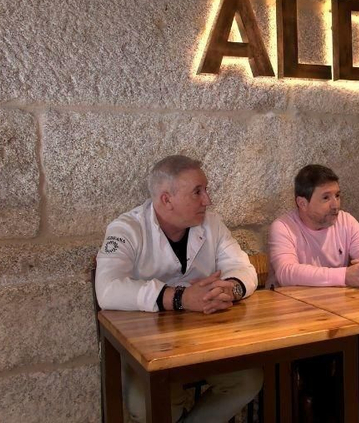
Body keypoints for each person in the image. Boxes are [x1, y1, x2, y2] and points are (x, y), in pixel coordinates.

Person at [96, 155, 263, 423]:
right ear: (166, 199)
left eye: (205, 190)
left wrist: (229, 289)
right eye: (198, 192)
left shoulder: (212, 224)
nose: (207, 200)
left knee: (247, 380)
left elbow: (242, 267)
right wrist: (181, 298)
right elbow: (107, 289)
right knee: (148, 404)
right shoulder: (126, 229)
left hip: (203, 341)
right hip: (147, 350)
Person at [269, 164, 359, 289]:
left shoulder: (346, 221)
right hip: (293, 304)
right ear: (302, 203)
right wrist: (345, 276)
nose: (335, 205)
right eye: (326, 198)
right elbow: (286, 273)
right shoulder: (283, 227)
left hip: (335, 302)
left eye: (337, 196)